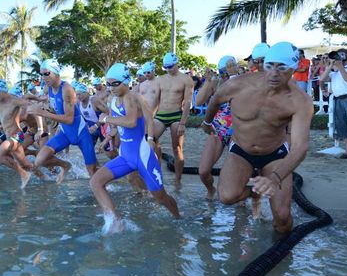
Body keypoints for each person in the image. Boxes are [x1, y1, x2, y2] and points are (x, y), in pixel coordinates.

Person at [201, 42, 314, 234]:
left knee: (282, 217)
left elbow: (300, 147)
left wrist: (275, 178)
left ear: (294, 69)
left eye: (282, 68)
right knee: (227, 197)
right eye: (270, 66)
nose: (274, 73)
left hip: (275, 154)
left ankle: (281, 255)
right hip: (241, 151)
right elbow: (215, 99)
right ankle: (256, 193)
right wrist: (207, 122)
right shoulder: (238, 85)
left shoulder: (300, 101)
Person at [89, 63, 180, 233]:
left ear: (125, 81)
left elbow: (131, 122)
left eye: (115, 83)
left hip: (142, 155)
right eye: (108, 83)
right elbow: (118, 126)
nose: (111, 87)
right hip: (125, 155)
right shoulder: (112, 99)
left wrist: (151, 138)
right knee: (96, 182)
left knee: (161, 198)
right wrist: (106, 139)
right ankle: (114, 221)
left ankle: (178, 219)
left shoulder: (131, 97)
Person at [30, 59, 97, 180]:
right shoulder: (47, 88)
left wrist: (43, 112)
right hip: (65, 133)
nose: (43, 77)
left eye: (46, 73)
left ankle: (110, 186)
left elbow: (69, 119)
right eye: (41, 74)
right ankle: (66, 166)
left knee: (91, 171)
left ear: (56, 73)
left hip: (80, 133)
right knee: (40, 159)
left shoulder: (67, 89)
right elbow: (44, 104)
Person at [195, 55, 239, 199]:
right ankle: (211, 190)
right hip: (218, 130)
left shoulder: (243, 80)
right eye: (222, 74)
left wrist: (234, 76)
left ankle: (241, 204)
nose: (225, 77)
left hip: (239, 132)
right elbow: (198, 101)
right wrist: (208, 82)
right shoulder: (217, 83)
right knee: (203, 171)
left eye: (227, 73)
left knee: (238, 174)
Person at [153, 52, 194, 186]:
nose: (168, 69)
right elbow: (156, 100)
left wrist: (183, 122)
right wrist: (150, 117)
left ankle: (178, 180)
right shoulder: (160, 79)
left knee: (176, 148)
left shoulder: (186, 80)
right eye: (166, 67)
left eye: (171, 66)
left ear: (177, 64)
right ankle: (156, 171)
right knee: (150, 141)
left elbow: (187, 102)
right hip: (161, 114)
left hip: (176, 115)